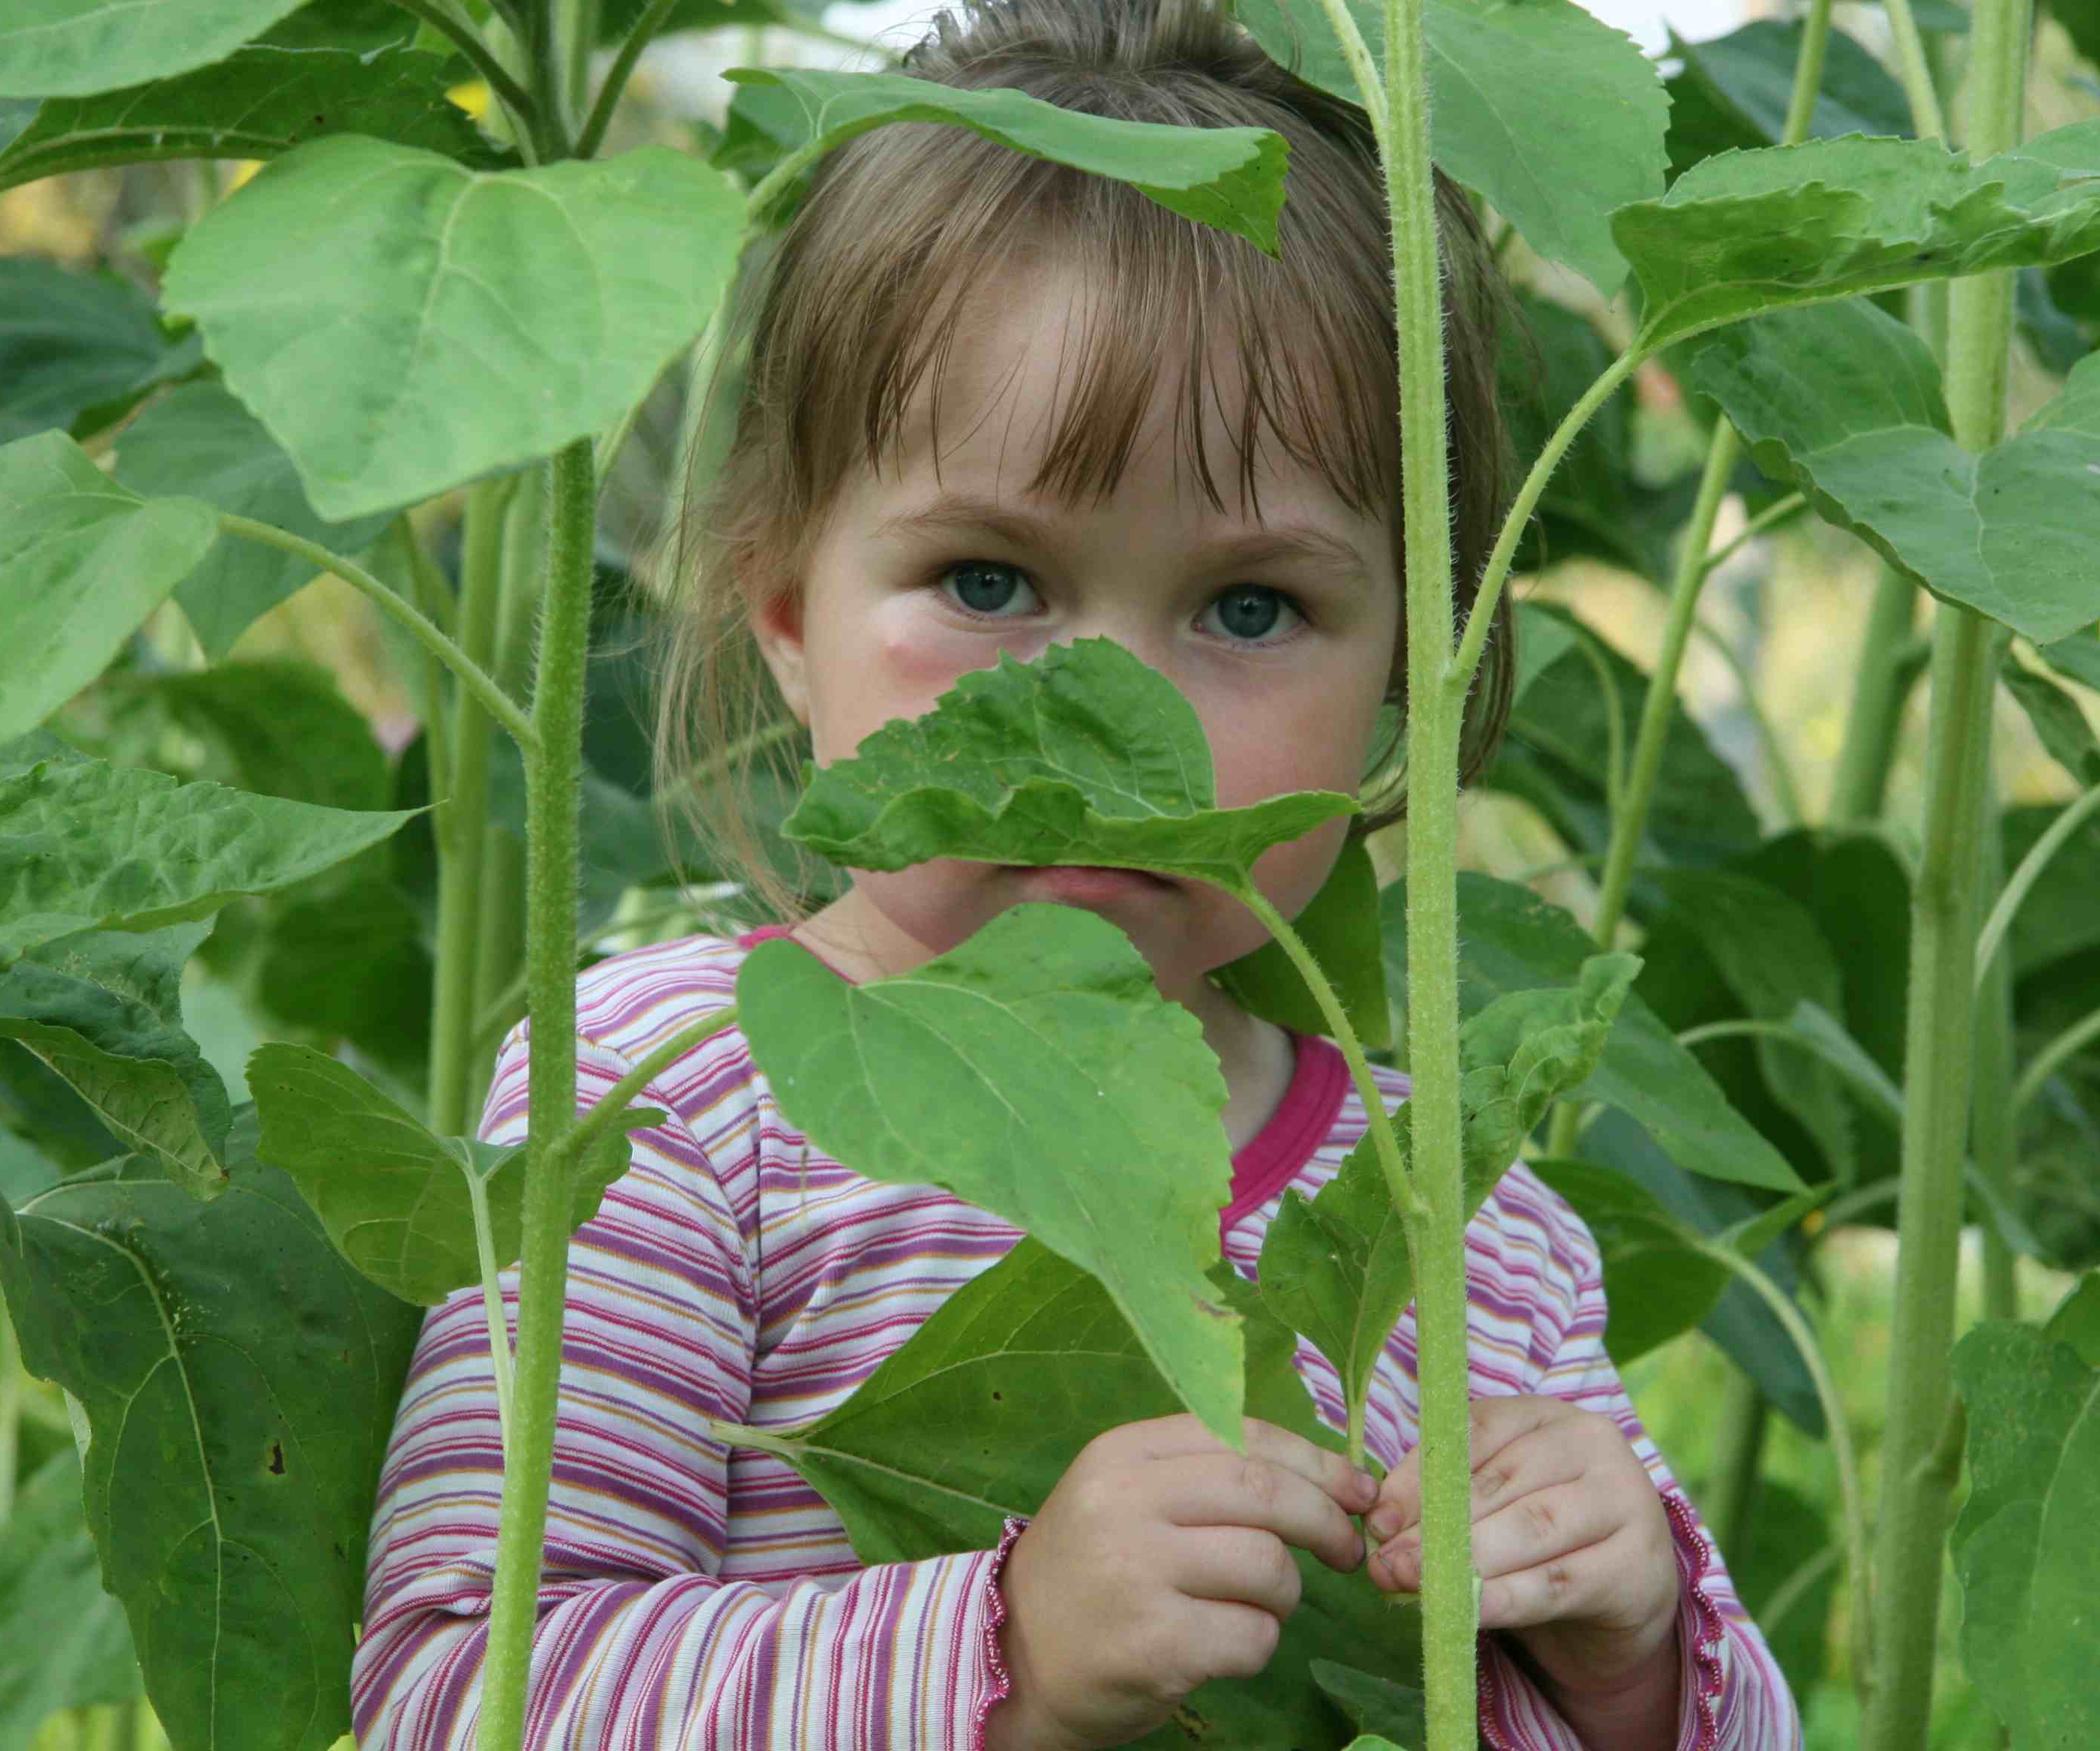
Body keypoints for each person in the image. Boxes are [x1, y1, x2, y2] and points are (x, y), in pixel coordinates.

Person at [349, 1, 1799, 1747]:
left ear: (1407, 670)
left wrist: (1639, 1653)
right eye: (986, 581)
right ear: (788, 608)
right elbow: (457, 1695)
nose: (1116, 719)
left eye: (1250, 609)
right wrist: (1003, 1651)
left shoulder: (1465, 1229)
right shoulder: (670, 1103)